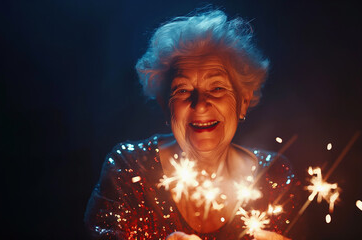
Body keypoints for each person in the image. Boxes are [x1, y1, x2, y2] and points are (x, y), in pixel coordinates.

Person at [84, 8, 296, 240]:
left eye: (216, 88)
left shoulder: (274, 175)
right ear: (166, 106)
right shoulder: (129, 170)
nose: (201, 105)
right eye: (182, 90)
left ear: (243, 102)